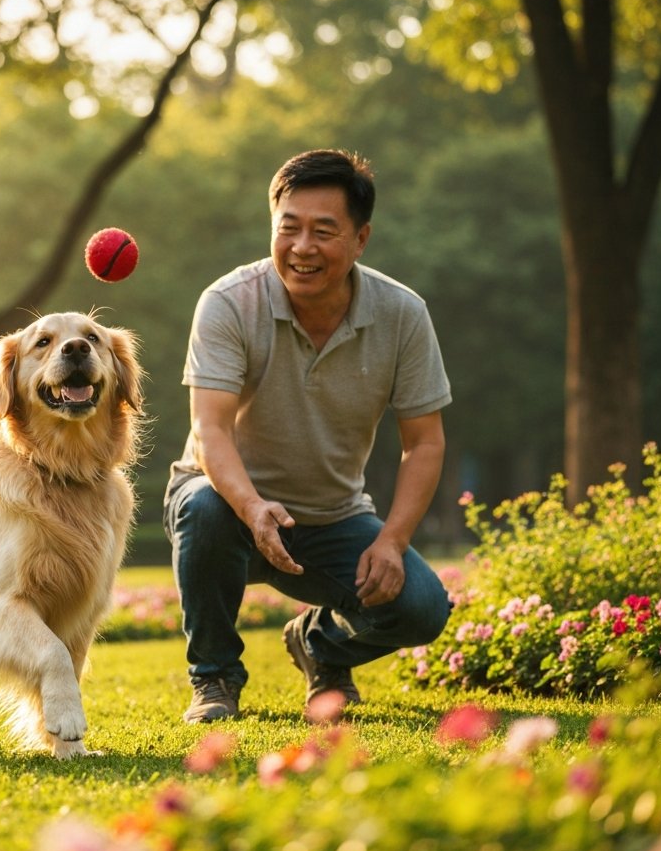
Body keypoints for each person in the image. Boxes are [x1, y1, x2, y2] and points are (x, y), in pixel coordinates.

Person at [163, 148, 453, 724]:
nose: (301, 247)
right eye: (288, 228)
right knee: (204, 505)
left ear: (361, 239)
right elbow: (210, 428)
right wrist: (252, 507)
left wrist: (392, 541)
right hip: (227, 505)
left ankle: (319, 645)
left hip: (331, 517)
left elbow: (424, 442)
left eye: (323, 232)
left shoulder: (402, 314)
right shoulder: (228, 302)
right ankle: (215, 677)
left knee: (423, 608)